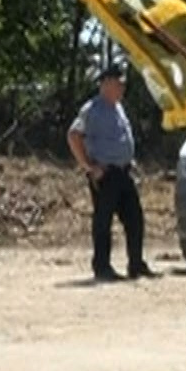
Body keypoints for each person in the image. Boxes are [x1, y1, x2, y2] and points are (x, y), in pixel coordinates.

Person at [67, 63, 156, 282]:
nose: (123, 88)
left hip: (123, 173)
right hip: (105, 174)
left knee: (135, 218)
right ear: (106, 84)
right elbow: (73, 135)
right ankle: (102, 267)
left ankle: (136, 264)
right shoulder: (92, 109)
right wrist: (89, 167)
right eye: (119, 84)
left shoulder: (118, 108)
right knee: (103, 221)